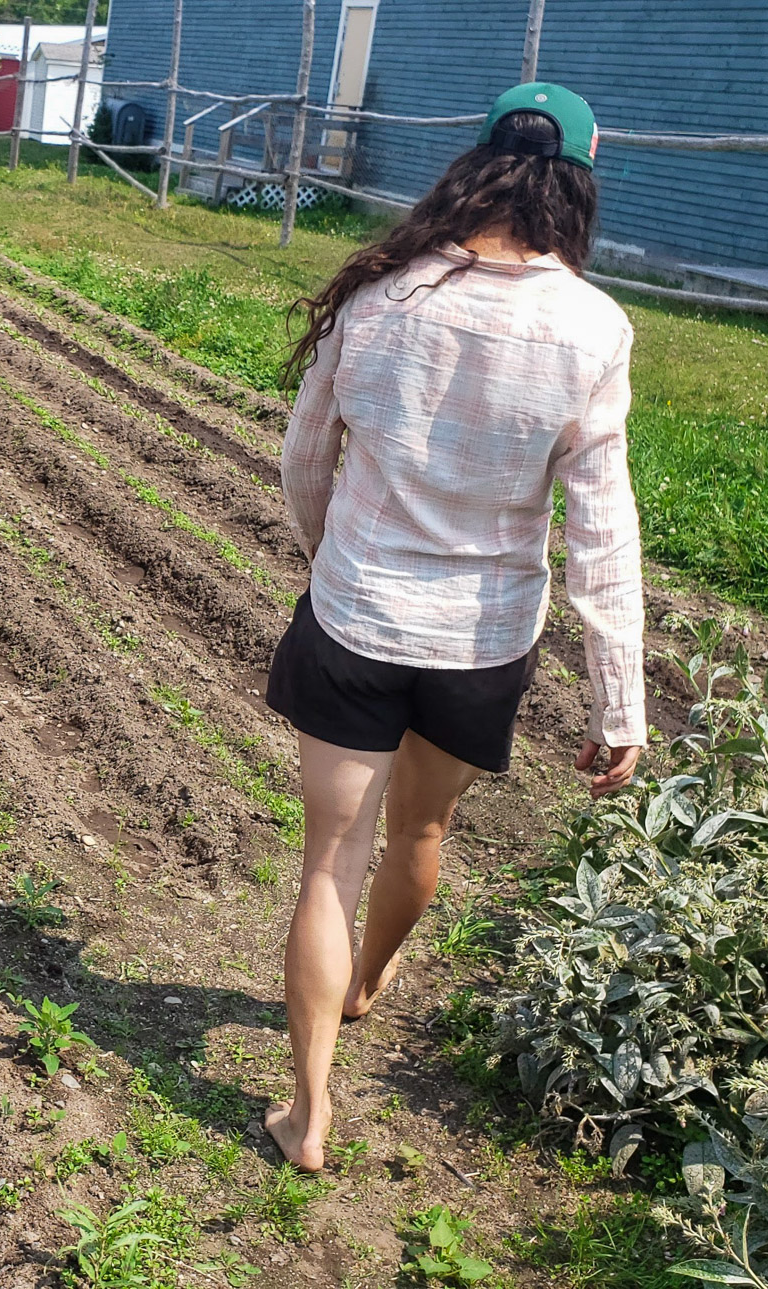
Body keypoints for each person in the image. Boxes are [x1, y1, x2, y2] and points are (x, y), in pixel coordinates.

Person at [261, 84, 646, 1172]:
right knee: (419, 837)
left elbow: (305, 458)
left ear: (475, 166)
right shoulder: (594, 327)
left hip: (356, 617)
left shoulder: (381, 293)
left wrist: (331, 553)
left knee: (329, 860)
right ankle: (368, 981)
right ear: (578, 184)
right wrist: (620, 698)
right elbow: (601, 525)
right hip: (482, 643)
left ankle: (307, 1111)